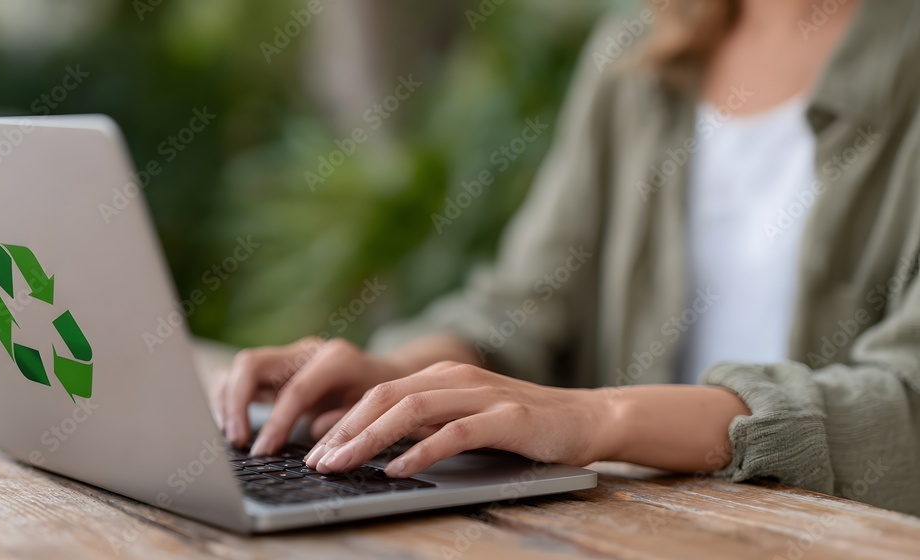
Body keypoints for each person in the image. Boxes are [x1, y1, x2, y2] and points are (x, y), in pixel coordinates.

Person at [216, 0, 920, 516]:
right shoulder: (639, 50)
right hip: (653, 527)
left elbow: (905, 403)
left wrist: (597, 418)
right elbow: (523, 305)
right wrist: (403, 378)